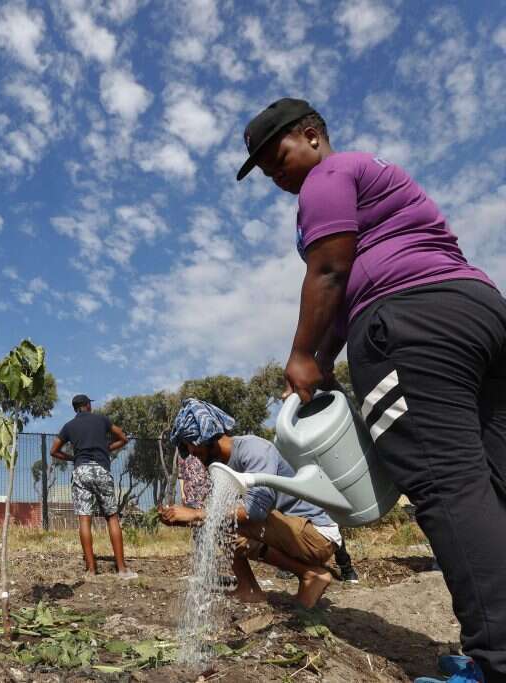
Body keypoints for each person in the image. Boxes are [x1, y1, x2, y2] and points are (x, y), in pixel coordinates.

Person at [237, 97, 505, 683]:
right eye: (262, 169)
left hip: (410, 326)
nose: (274, 175)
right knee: (493, 482)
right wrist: (325, 359)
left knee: (447, 484)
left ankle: (496, 663)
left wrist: (303, 354)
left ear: (311, 136)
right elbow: (346, 278)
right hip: (479, 312)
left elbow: (331, 270)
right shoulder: (375, 176)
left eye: (276, 156)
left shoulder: (327, 176)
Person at [161, 398, 341, 609]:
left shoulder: (254, 450)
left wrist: (196, 514)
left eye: (191, 444)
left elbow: (254, 511)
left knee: (217, 518)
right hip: (290, 531)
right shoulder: (221, 465)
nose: (191, 452)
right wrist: (188, 518)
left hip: (317, 536)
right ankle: (249, 589)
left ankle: (310, 575)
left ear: (208, 437)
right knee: (216, 519)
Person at [50, 394, 137, 580]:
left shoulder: (69, 426)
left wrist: (72, 458)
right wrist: (107, 449)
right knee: (112, 518)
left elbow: (54, 450)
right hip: (101, 470)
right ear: (88, 405)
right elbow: (123, 437)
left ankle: (90, 570)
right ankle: (121, 569)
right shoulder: (102, 420)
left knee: (84, 520)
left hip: (81, 471)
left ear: (75, 408)